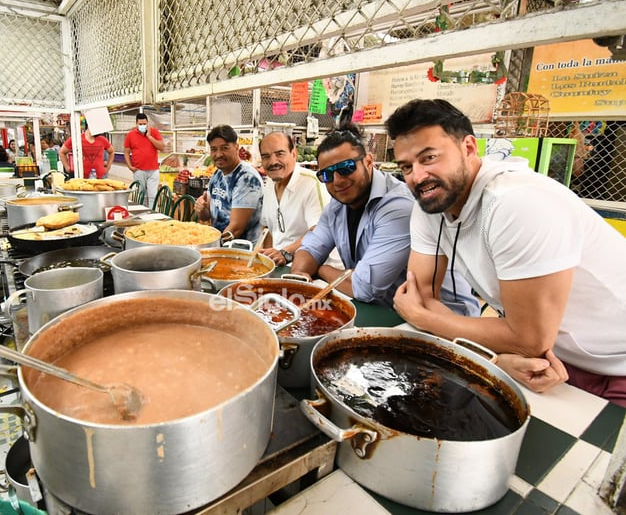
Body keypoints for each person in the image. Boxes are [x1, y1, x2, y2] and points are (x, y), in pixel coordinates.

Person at [387, 98, 626, 405]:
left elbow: (528, 339)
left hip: (617, 364)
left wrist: (425, 318)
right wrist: (497, 357)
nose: (417, 177)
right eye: (406, 167)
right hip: (547, 364)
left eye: (429, 157)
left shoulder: (516, 203)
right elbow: (421, 297)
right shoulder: (430, 206)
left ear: (469, 148)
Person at [292, 124, 479, 314]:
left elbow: (364, 288)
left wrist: (321, 269)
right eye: (327, 174)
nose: (338, 180)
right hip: (388, 311)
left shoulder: (398, 206)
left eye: (346, 168)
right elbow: (311, 249)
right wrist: (300, 274)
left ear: (367, 161)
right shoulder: (337, 206)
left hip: (445, 320)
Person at [256, 131, 342, 268]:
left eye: (280, 154)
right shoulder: (269, 183)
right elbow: (267, 229)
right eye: (266, 156)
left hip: (317, 269)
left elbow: (319, 230)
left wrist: (286, 252)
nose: (273, 162)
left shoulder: (312, 183)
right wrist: (266, 262)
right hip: (283, 266)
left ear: (294, 154)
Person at [194, 124, 263, 242]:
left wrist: (211, 245)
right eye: (214, 149)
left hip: (241, 249)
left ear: (236, 147)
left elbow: (236, 229)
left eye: (225, 148)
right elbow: (206, 216)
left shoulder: (247, 179)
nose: (218, 154)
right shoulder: (217, 175)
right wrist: (202, 208)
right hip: (220, 243)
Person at [124, 113, 163, 206]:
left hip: (153, 170)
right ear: (136, 124)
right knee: (142, 195)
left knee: (153, 195)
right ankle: (144, 215)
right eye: (140, 124)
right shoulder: (130, 135)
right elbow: (126, 152)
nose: (142, 126)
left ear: (148, 123)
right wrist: (130, 166)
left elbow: (161, 147)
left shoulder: (154, 132)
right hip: (139, 170)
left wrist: (150, 137)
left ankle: (153, 216)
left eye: (144, 124)